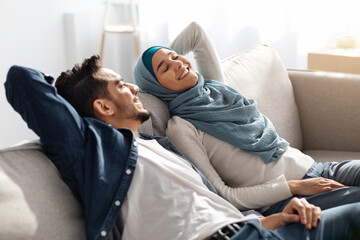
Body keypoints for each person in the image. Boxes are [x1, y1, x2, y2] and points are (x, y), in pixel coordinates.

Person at [5, 53, 360, 240]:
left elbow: (220, 213)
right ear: (104, 108)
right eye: (118, 85)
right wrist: (75, 91)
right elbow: (21, 78)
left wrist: (276, 218)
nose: (132, 87)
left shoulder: (162, 147)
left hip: (260, 230)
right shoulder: (93, 150)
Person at [133, 22, 360, 215]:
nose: (178, 64)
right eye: (164, 69)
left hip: (320, 169)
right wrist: (294, 186)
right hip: (289, 199)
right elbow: (223, 194)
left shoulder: (215, 89)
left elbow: (196, 33)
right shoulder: (181, 128)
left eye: (175, 57)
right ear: (155, 85)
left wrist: (162, 56)